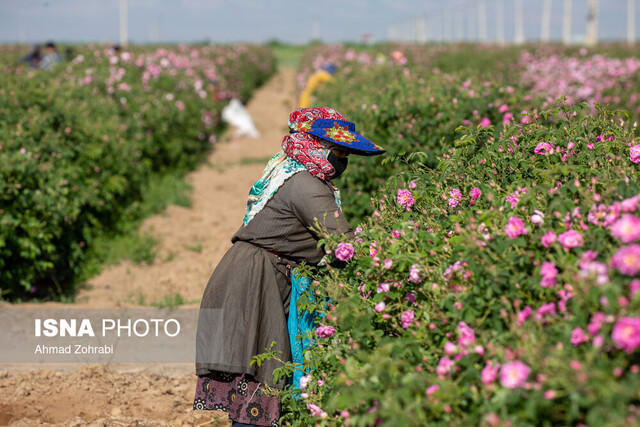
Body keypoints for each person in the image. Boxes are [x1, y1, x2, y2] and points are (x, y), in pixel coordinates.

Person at [194, 107, 385, 426]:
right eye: (338, 151)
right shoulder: (305, 185)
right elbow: (346, 243)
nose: (343, 160)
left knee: (260, 374)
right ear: (318, 146)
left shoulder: (289, 171)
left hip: (258, 272)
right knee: (259, 375)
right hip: (255, 280)